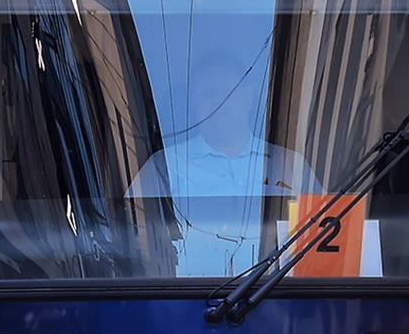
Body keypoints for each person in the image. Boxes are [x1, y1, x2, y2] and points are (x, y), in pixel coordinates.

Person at [129, 53, 322, 276]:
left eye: (226, 90)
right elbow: (132, 232)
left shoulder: (289, 164)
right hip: (187, 295)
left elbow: (327, 230)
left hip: (277, 293)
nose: (217, 101)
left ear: (248, 97)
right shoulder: (164, 167)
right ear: (193, 103)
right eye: (205, 94)